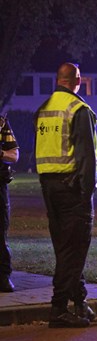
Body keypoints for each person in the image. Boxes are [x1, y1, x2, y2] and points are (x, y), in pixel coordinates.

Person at [35, 62, 97, 328]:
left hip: (49, 188)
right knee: (75, 248)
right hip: (73, 188)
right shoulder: (78, 110)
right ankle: (59, 308)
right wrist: (87, 190)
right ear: (78, 80)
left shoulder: (44, 109)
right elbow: (85, 155)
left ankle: (79, 302)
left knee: (65, 247)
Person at [0, 115, 19, 293]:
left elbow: (14, 155)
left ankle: (3, 276)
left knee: (0, 233)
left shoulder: (1, 122)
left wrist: (1, 154)